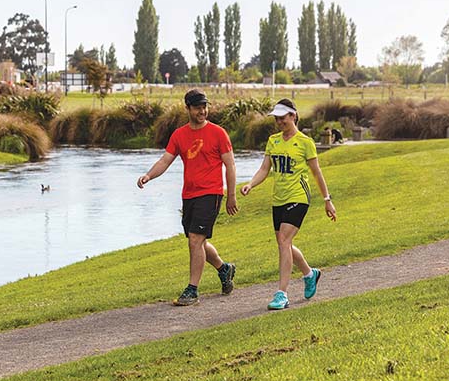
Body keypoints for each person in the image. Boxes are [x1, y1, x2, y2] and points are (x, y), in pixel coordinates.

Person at [137, 89, 239, 306]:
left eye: (205, 106)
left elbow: (230, 165)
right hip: (189, 195)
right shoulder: (179, 135)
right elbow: (165, 161)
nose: (203, 111)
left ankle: (192, 290)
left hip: (211, 193)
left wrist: (231, 195)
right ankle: (224, 269)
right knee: (198, 242)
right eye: (197, 107)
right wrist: (148, 175)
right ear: (188, 109)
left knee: (195, 239)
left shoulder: (218, 133)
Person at [241, 98, 336, 310]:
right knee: (284, 244)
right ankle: (310, 274)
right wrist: (251, 184)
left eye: (283, 118)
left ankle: (281, 294)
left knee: (284, 240)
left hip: (299, 197)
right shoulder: (273, 141)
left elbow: (316, 172)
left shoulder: (305, 142)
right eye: (277, 119)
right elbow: (265, 169)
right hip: (279, 199)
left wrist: (327, 200)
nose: (280, 122)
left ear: (293, 116)